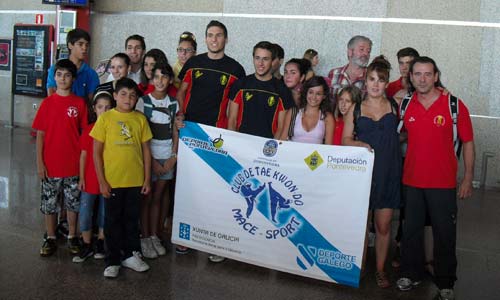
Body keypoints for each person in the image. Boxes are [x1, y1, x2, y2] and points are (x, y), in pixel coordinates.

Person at [396, 57, 475, 300]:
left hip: (443, 184)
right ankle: (411, 273)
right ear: (411, 77)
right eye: (417, 74)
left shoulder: (454, 105)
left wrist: (467, 178)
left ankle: (445, 282)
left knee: (444, 234)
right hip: (411, 181)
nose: (422, 79)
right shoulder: (406, 104)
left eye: (427, 74)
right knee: (411, 231)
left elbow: (469, 143)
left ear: (436, 76)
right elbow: (400, 137)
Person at [342, 56, 401, 288]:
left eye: (381, 80)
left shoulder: (395, 105)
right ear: (365, 82)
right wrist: (360, 145)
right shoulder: (356, 108)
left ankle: (379, 270)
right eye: (372, 79)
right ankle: (359, 267)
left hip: (388, 172)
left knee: (383, 226)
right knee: (360, 227)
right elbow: (346, 139)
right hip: (362, 176)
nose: (376, 84)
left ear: (387, 83)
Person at [91, 77, 153, 278]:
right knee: (112, 222)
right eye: (124, 94)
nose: (128, 98)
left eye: (133, 95)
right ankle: (113, 260)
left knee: (131, 220)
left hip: (135, 182)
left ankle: (130, 256)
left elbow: (146, 151)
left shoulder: (140, 119)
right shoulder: (106, 118)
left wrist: (146, 179)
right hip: (113, 182)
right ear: (115, 96)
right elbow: (96, 152)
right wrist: (102, 181)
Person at [33, 59, 88, 257]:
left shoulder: (79, 103)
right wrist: (40, 163)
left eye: (67, 75)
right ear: (54, 77)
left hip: (73, 165)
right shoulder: (47, 103)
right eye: (59, 75)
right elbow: (40, 135)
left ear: (73, 78)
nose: (62, 79)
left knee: (73, 203)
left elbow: (83, 135)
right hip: (51, 165)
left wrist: (82, 167)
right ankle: (51, 236)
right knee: (50, 203)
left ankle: (73, 235)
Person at [136, 64, 179, 259]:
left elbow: (176, 131)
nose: (160, 80)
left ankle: (154, 236)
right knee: (147, 198)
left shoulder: (173, 103)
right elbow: (140, 134)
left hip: (167, 156)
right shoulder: (143, 102)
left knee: (159, 198)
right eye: (157, 77)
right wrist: (151, 161)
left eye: (164, 77)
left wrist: (173, 157)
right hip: (148, 158)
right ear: (151, 79)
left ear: (170, 80)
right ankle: (144, 237)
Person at [176, 20, 245, 129]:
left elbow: (236, 107)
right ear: (205, 39)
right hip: (189, 127)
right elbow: (181, 92)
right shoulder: (193, 63)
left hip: (217, 131)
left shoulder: (236, 70)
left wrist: (231, 132)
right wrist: (180, 114)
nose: (214, 39)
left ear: (226, 40)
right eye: (210, 35)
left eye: (219, 35)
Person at [73, 91, 113, 263]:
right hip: (89, 178)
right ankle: (86, 243)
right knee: (85, 211)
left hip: (108, 179)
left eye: (107, 107)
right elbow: (83, 156)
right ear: (94, 109)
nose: (103, 111)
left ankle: (101, 242)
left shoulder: (114, 130)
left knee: (104, 213)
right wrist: (81, 178)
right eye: (100, 107)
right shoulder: (89, 129)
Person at [228, 41, 295, 139]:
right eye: (257, 58)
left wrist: (271, 149)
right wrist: (234, 144)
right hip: (241, 145)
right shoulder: (240, 85)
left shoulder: (282, 90)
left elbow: (281, 127)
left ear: (272, 61)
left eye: (265, 59)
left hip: (266, 148)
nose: (260, 63)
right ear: (253, 59)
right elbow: (232, 120)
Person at [47, 28, 99, 105]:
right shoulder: (55, 69)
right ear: (70, 45)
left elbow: (92, 101)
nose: (84, 48)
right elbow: (51, 96)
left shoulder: (91, 74)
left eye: (87, 45)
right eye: (80, 44)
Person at [280, 76, 334, 144]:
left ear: (324, 96)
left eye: (318, 94)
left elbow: (328, 147)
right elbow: (282, 141)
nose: (314, 97)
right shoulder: (293, 113)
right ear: (306, 93)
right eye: (311, 92)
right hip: (292, 154)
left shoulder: (327, 117)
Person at [327, 35, 372, 107]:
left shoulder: (371, 77)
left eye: (368, 51)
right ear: (350, 52)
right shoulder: (334, 73)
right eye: (361, 49)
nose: (366, 54)